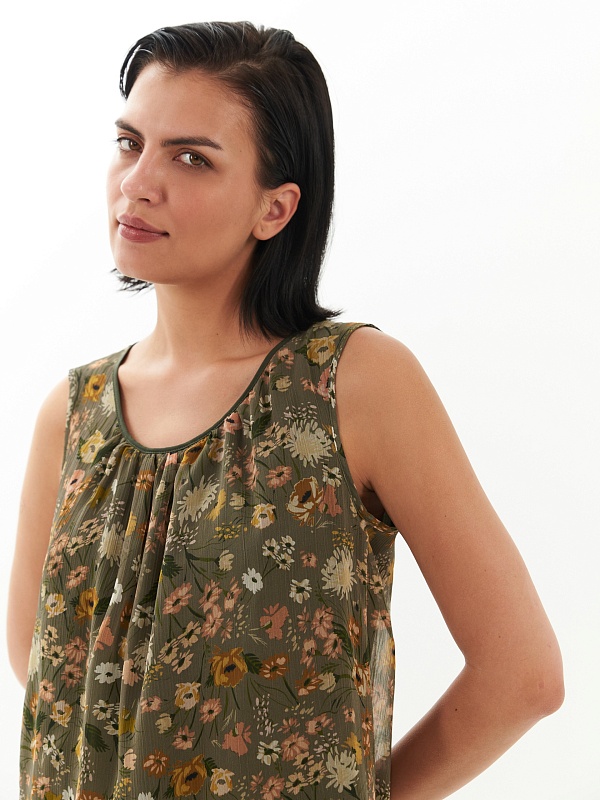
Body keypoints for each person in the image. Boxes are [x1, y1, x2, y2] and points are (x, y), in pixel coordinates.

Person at [8, 21, 563, 800]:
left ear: (275, 208)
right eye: (130, 143)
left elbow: (523, 674)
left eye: (191, 157)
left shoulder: (354, 384)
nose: (137, 183)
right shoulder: (73, 414)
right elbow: (45, 669)